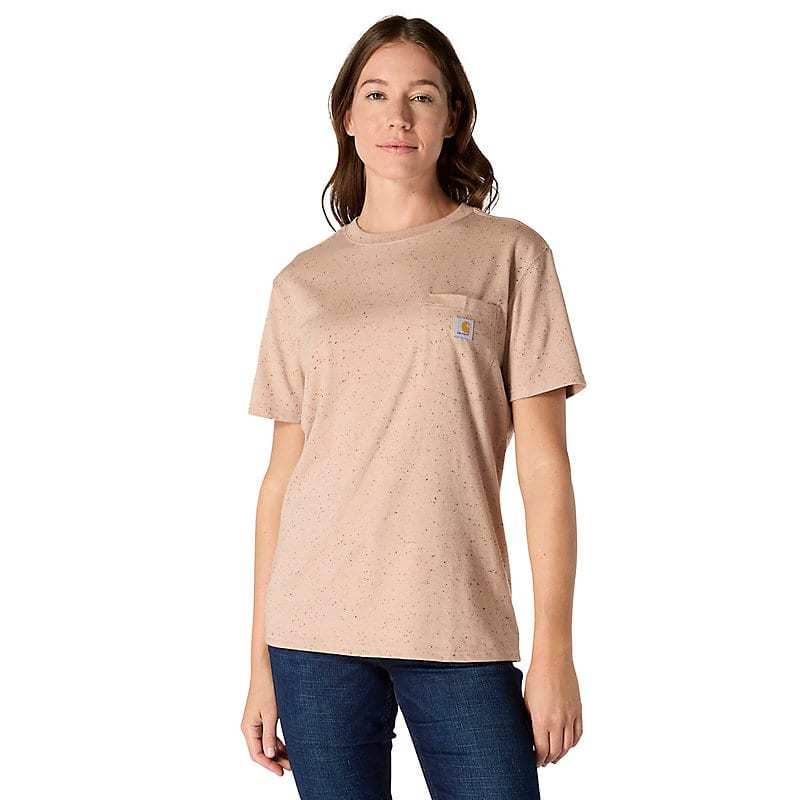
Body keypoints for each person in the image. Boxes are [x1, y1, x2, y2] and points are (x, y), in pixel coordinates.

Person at [241, 15, 587, 800]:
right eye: (376, 95)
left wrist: (555, 651)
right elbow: (280, 481)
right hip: (312, 632)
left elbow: (544, 466)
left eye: (422, 96)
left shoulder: (510, 254)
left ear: (453, 116)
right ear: (347, 116)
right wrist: (258, 663)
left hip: (458, 623)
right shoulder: (301, 283)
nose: (398, 117)